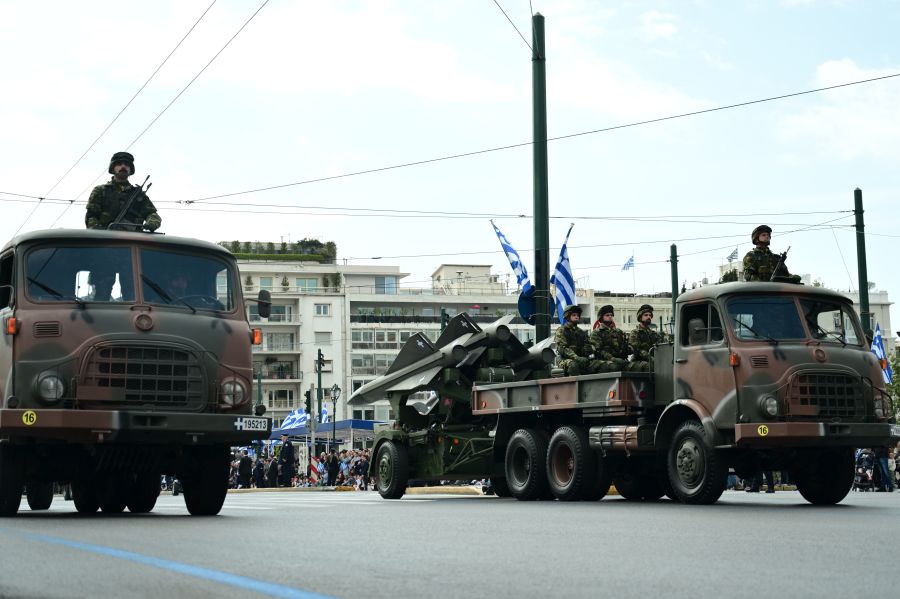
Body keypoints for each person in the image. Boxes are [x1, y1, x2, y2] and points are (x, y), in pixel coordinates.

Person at [85, 151, 162, 231]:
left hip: (131, 240)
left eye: (127, 165)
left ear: (130, 169)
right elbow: (91, 216)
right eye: (119, 164)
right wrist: (98, 234)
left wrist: (152, 222)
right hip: (105, 238)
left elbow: (152, 214)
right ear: (113, 168)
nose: (123, 166)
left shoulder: (138, 195)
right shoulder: (101, 191)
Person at [554, 304, 596, 376]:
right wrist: (577, 358)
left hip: (581, 358)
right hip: (564, 359)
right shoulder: (561, 330)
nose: (576, 317)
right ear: (567, 316)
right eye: (574, 315)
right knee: (573, 365)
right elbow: (563, 348)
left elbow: (591, 345)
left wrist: (590, 350)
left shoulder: (582, 332)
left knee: (598, 365)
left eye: (577, 315)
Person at [589, 305, 630, 372]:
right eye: (607, 315)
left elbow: (625, 347)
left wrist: (627, 349)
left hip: (619, 359)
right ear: (601, 318)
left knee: (631, 367)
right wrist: (612, 358)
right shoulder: (596, 333)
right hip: (602, 360)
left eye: (611, 315)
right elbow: (598, 350)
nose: (610, 317)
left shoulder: (619, 332)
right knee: (614, 367)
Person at [628, 304, 665, 372]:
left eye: (650, 315)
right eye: (646, 315)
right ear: (640, 317)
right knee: (649, 366)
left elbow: (660, 347)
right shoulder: (635, 333)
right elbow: (636, 350)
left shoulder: (654, 334)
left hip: (653, 360)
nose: (649, 317)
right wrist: (650, 358)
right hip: (637, 361)